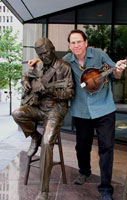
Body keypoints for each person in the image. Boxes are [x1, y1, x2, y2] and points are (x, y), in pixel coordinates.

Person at [28, 30, 127, 200]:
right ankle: (84, 172)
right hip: (81, 111)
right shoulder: (67, 60)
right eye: (73, 43)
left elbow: (115, 74)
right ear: (69, 46)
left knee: (106, 148)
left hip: (104, 109)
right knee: (82, 146)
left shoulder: (99, 54)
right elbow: (52, 62)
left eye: (79, 41)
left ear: (86, 42)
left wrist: (119, 70)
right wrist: (38, 60)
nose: (76, 45)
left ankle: (105, 189)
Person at [12, 38, 74, 200]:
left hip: (56, 109)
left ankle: (43, 190)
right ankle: (35, 137)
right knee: (17, 113)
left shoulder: (64, 67)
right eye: (40, 54)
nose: (44, 56)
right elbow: (26, 75)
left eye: (46, 52)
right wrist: (25, 81)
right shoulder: (39, 66)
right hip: (39, 107)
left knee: (47, 143)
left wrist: (52, 92)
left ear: (52, 49)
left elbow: (70, 93)